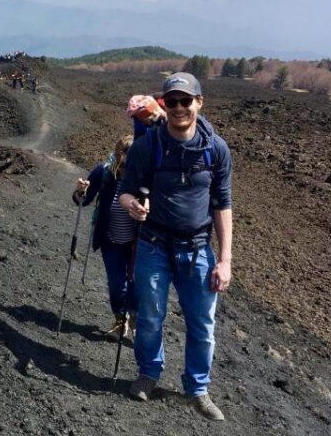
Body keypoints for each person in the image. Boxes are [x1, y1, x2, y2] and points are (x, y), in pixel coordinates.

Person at [119, 72, 233, 421]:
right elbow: (126, 189)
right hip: (153, 245)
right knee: (151, 317)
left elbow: (222, 204)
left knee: (202, 324)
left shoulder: (216, 149)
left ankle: (197, 389)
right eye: (173, 101)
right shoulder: (146, 146)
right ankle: (148, 374)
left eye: (187, 100)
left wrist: (225, 260)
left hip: (198, 250)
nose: (180, 107)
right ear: (164, 105)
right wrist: (130, 206)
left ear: (199, 102)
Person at [72, 135, 138, 339]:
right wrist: (80, 191)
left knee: (137, 283)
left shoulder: (143, 176)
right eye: (125, 153)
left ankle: (136, 318)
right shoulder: (103, 172)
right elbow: (83, 200)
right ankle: (120, 318)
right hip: (110, 238)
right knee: (117, 283)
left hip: (137, 241)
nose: (127, 159)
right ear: (118, 153)